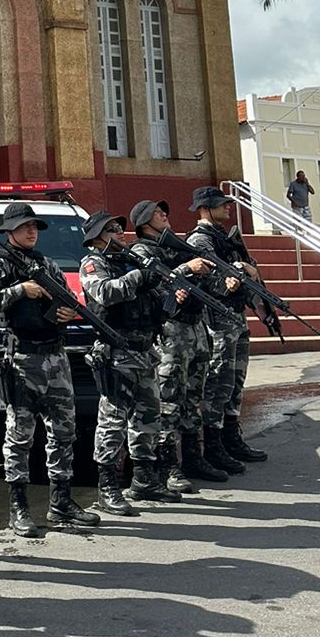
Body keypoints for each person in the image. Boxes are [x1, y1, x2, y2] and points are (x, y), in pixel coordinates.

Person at [0, 201, 100, 536]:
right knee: (19, 437)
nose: (32, 231)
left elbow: (68, 299)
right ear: (10, 230)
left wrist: (68, 313)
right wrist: (21, 290)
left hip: (56, 356)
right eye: (26, 226)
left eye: (35, 227)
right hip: (22, 358)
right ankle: (19, 509)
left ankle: (60, 503)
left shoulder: (45, 262)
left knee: (63, 432)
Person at [130, 198, 223, 492]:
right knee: (169, 400)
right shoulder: (140, 250)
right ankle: (169, 465)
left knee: (193, 397)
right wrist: (186, 269)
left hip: (194, 328)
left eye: (165, 211)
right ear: (145, 222)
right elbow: (153, 283)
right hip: (170, 332)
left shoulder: (173, 245)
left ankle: (194, 458)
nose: (165, 215)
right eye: (159, 213)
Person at [80, 210, 168, 511]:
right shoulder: (94, 263)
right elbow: (104, 293)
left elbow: (156, 297)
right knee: (113, 419)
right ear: (97, 237)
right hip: (116, 351)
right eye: (113, 229)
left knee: (148, 415)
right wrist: (138, 277)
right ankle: (107, 486)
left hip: (144, 350)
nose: (121, 233)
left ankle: (143, 480)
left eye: (120, 228)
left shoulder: (129, 260)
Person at [186, 186, 269, 467]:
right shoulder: (200, 240)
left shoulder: (222, 237)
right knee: (219, 381)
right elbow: (212, 276)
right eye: (222, 204)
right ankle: (214, 443)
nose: (228, 208)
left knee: (235, 380)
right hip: (217, 320)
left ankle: (232, 438)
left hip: (234, 316)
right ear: (206, 207)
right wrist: (242, 268)